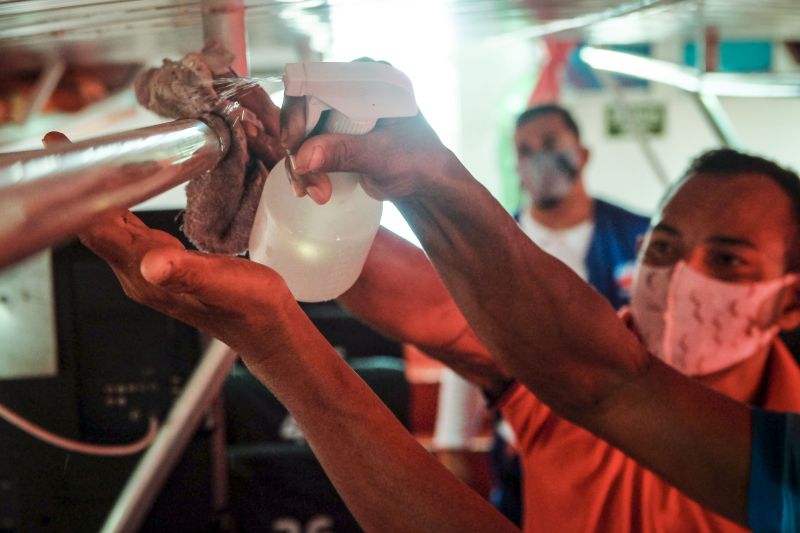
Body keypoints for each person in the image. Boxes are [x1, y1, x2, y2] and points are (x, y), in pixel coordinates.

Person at [62, 91, 800, 531]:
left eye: (729, 260)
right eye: (664, 246)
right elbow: (459, 314)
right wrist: (279, 210)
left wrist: (280, 342)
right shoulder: (600, 363)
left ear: (790, 296)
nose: (681, 275)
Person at [432, 104, 648, 524]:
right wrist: (452, 442)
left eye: (550, 144)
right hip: (527, 449)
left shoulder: (642, 237)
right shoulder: (492, 248)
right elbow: (466, 340)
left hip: (631, 448)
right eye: (525, 150)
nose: (538, 159)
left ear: (582, 154)